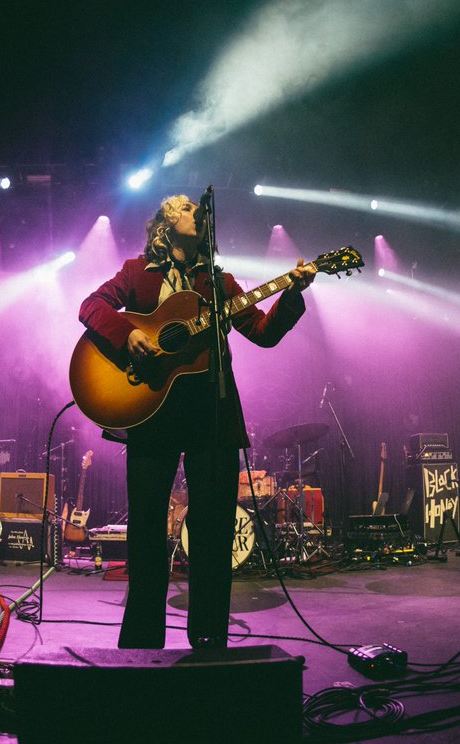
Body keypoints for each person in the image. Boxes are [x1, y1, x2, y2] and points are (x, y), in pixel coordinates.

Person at [78, 193, 315, 649]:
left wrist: (292, 292)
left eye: (197, 209)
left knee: (213, 534)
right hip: (151, 412)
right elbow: (91, 306)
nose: (196, 212)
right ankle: (142, 645)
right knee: (146, 533)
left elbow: (263, 334)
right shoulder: (136, 273)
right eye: (186, 207)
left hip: (212, 413)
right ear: (165, 224)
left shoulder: (218, 283)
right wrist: (129, 336)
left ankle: (209, 641)